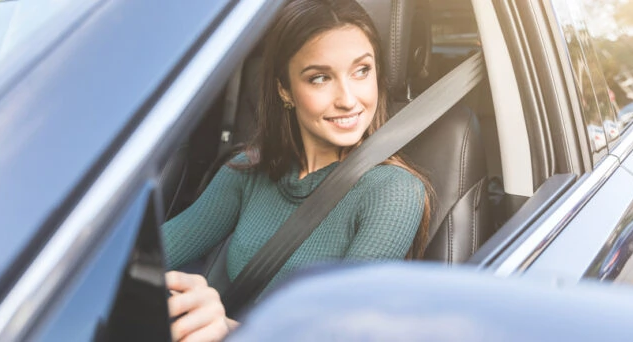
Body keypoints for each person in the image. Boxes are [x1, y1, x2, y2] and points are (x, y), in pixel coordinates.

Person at [161, 0, 433, 340]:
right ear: (285, 90)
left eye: (362, 70)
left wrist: (226, 329)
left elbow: (340, 331)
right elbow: (154, 253)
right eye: (320, 78)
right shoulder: (247, 172)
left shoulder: (393, 191)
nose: (348, 99)